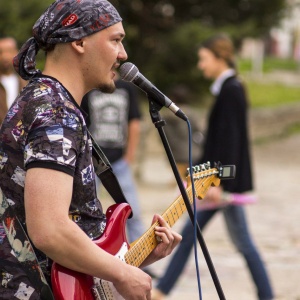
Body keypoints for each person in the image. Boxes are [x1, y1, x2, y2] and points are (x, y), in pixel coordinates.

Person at [0, 1, 182, 299]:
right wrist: (123, 273)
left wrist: (131, 260)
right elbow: (50, 230)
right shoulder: (54, 113)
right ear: (80, 42)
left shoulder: (48, 101)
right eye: (116, 40)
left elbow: (66, 230)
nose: (123, 55)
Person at [152, 34, 274, 300]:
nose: (200, 65)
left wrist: (221, 182)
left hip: (219, 185)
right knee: (212, 237)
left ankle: (161, 291)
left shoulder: (231, 89)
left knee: (227, 240)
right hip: (216, 181)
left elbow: (230, 140)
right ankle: (162, 291)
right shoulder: (229, 88)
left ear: (220, 58)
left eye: (203, 59)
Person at [81, 76, 146, 245]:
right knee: (85, 213)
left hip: (119, 161)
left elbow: (134, 122)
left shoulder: (126, 88)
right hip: (92, 161)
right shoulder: (89, 88)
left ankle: (143, 259)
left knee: (133, 211)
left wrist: (129, 155)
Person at [0, 36, 27, 124]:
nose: (5, 56)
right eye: (1, 52)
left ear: (16, 52)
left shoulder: (27, 84)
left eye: (9, 51)